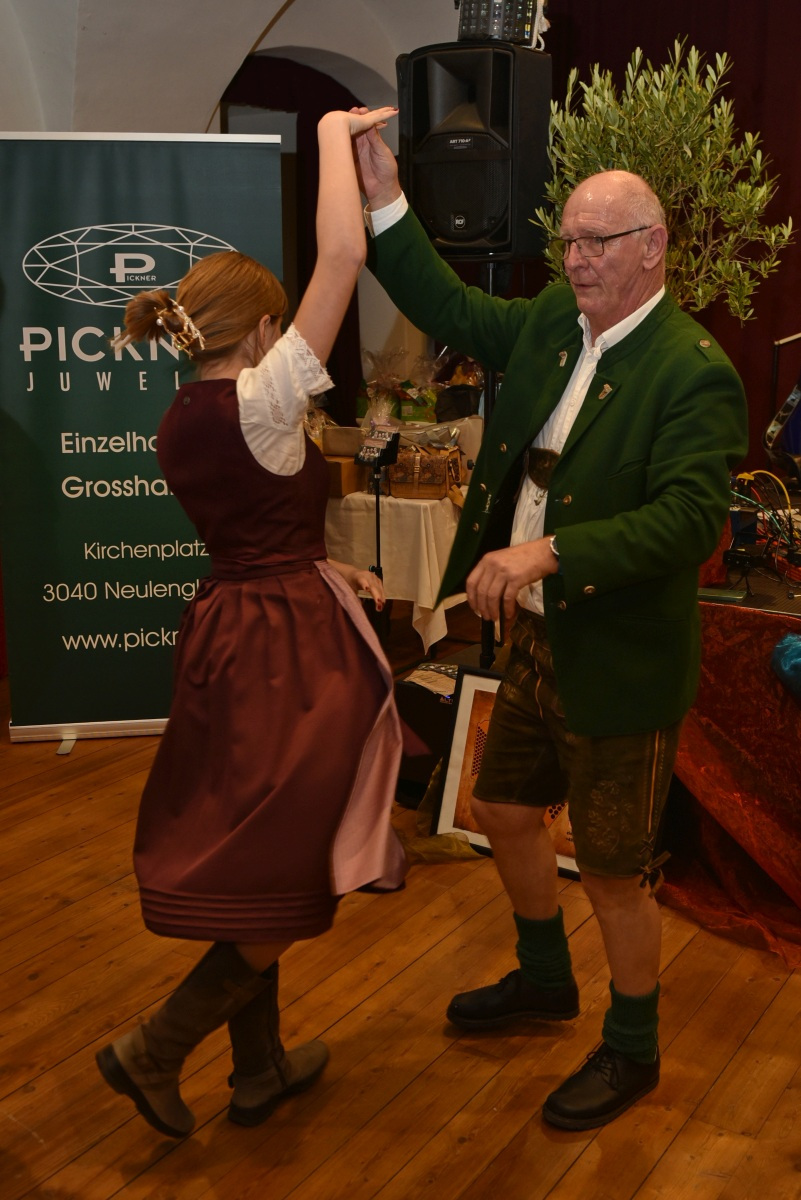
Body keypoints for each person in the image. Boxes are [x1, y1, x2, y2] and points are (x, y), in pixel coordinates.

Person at [355, 123, 748, 1129]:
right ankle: (543, 977)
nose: (576, 259)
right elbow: (447, 305)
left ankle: (634, 1049)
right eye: (569, 241)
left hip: (618, 659)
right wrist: (385, 194)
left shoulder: (692, 368)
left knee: (613, 873)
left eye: (598, 242)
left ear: (652, 247)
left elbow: (688, 521)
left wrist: (547, 553)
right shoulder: (551, 325)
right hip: (537, 641)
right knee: (502, 811)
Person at [95, 106, 405, 1139]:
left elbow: (253, 530)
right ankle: (157, 1046)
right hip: (287, 652)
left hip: (230, 628)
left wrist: (325, 564)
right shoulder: (265, 403)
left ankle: (260, 1068)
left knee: (258, 845)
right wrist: (333, 132)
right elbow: (343, 253)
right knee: (294, 853)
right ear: (264, 330)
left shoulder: (179, 416)